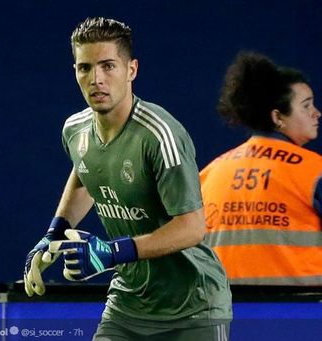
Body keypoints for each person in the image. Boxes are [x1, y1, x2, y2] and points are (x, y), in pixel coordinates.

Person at [22, 17, 232, 340]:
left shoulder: (160, 136)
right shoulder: (75, 130)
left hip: (193, 308)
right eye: (85, 68)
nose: (96, 79)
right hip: (127, 305)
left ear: (131, 70)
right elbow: (87, 172)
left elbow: (192, 226)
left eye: (108, 66)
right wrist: (55, 232)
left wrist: (112, 252)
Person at [200, 51, 322, 285]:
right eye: (306, 106)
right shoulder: (318, 173)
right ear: (277, 117)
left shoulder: (209, 174)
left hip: (224, 317)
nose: (317, 113)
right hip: (302, 317)